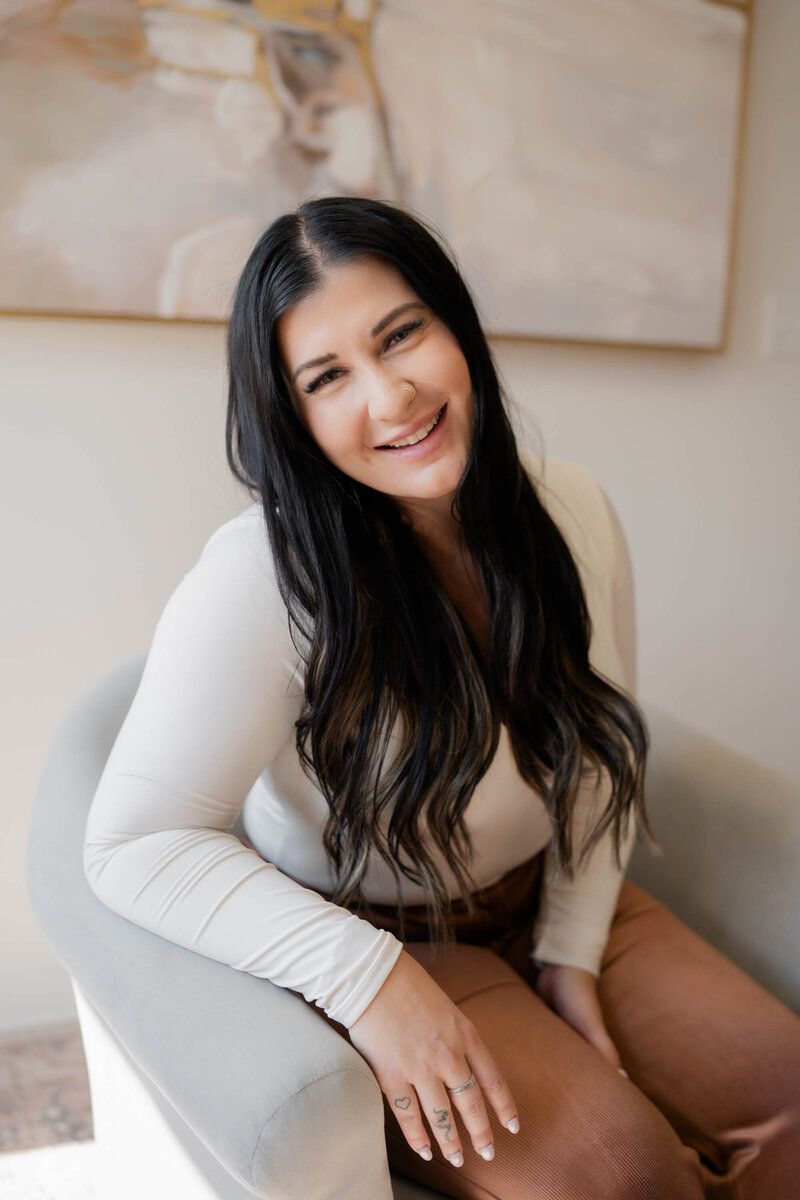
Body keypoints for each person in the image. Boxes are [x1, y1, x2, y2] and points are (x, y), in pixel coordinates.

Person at [84, 195, 800, 1199]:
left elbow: (597, 747)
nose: (390, 397)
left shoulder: (573, 509)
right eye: (328, 377)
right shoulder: (260, 578)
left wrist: (571, 952)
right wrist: (368, 981)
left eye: (401, 334)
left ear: (454, 323)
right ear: (291, 416)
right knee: (622, 1178)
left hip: (547, 892)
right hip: (386, 934)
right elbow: (133, 843)